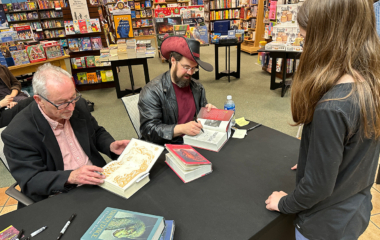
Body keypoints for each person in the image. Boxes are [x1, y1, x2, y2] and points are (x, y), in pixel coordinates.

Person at [265, 1, 380, 239]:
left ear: (327, 40)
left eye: (306, 39)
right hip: (355, 211)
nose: (304, 46)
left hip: (321, 225)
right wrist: (319, 159)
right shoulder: (370, 85)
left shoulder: (332, 107)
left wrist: (284, 202)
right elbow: (357, 149)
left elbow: (317, 188)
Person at [2, 63, 130, 207]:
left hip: (98, 181)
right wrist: (71, 176)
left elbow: (96, 132)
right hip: (60, 194)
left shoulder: (77, 104)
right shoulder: (17, 134)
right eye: (61, 103)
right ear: (39, 100)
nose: (71, 107)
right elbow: (31, 180)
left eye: (73, 98)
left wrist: (110, 145)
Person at [138, 36, 216, 145]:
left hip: (194, 139)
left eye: (194, 68)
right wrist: (181, 129)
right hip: (168, 145)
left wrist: (209, 112)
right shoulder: (152, 91)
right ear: (173, 61)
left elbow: (200, 114)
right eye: (186, 67)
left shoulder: (197, 87)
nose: (190, 72)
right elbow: (149, 130)